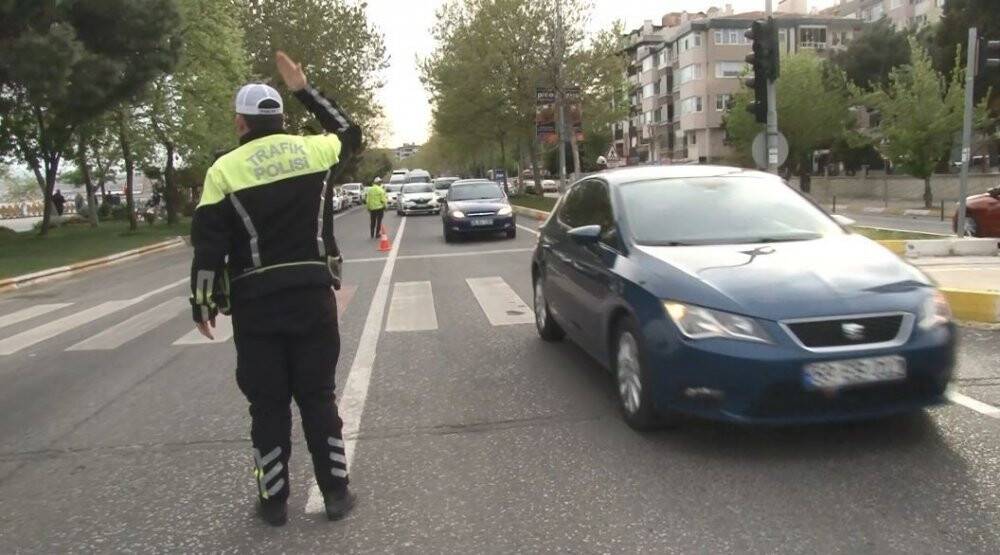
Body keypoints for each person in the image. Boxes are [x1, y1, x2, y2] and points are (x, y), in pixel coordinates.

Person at [188, 51, 362, 526]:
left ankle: (273, 502)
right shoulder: (315, 151)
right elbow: (350, 132)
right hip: (312, 296)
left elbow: (208, 245)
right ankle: (336, 494)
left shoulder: (224, 170)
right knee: (318, 397)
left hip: (256, 306)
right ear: (282, 119)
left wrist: (202, 302)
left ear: (240, 123)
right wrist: (305, 89)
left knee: (267, 406)